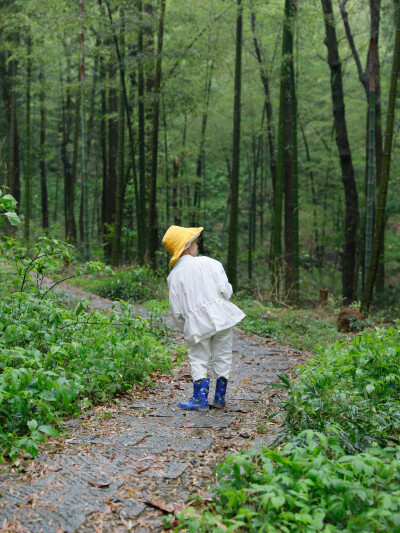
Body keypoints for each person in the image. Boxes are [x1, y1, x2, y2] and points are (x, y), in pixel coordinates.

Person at [162, 225, 245, 411]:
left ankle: (200, 398)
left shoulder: (174, 276)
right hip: (222, 317)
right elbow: (226, 291)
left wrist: (186, 326)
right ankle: (220, 398)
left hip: (196, 322)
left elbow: (176, 310)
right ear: (188, 246)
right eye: (195, 243)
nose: (197, 247)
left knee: (198, 357)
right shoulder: (210, 263)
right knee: (222, 355)